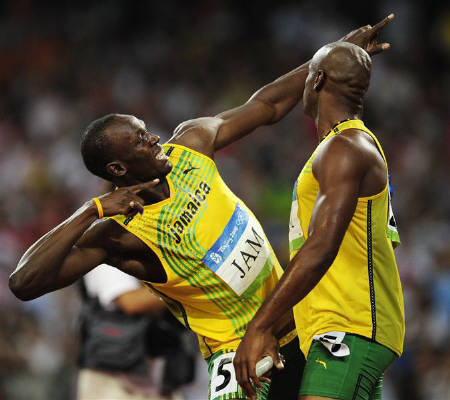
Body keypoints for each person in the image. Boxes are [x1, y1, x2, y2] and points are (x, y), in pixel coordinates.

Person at [9, 18, 392, 400]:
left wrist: (333, 59)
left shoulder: (190, 145)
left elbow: (268, 104)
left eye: (146, 129)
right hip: (237, 354)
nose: (155, 138)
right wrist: (91, 211)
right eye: (141, 140)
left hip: (293, 322)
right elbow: (24, 283)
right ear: (118, 169)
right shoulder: (121, 234)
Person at [233, 14, 405, 400]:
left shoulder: (345, 150)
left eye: (309, 74)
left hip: (349, 326)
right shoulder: (348, 148)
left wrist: (260, 326)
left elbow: (321, 246)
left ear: (318, 81)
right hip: (346, 324)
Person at [78, 264, 172, 400]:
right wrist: (187, 289)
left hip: (160, 378)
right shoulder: (105, 252)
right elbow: (131, 302)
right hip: (113, 380)